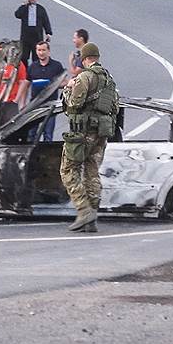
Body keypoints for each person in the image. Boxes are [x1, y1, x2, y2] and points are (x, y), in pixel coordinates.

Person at [60, 42, 118, 233]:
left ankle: (83, 210)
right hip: (101, 133)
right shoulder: (109, 80)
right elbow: (115, 107)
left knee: (68, 170)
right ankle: (92, 216)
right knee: (92, 172)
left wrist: (68, 89)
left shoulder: (84, 77)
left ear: (84, 59)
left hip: (82, 133)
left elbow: (74, 104)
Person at [28, 41, 67, 141]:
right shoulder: (33, 66)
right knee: (31, 133)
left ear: (48, 51)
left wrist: (53, 85)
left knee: (48, 134)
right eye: (39, 50)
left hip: (50, 105)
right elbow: (26, 83)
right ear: (36, 51)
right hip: (34, 104)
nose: (41, 52)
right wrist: (22, 102)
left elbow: (64, 82)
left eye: (43, 50)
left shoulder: (56, 66)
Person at [14, 0, 53, 66]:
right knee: (24, 57)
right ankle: (25, 72)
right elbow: (17, 15)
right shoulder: (24, 8)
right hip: (25, 37)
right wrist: (23, 5)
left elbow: (46, 21)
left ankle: (36, 71)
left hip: (37, 37)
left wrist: (48, 33)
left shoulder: (40, 9)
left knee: (36, 57)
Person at [0, 38, 29, 107]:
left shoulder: (18, 64)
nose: (2, 50)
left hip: (9, 102)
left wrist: (17, 101)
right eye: (0, 47)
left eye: (4, 47)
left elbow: (22, 82)